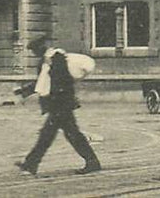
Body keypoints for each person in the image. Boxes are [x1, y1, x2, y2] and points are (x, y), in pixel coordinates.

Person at [14, 36, 101, 177]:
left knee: (50, 135)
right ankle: (92, 161)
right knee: (63, 134)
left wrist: (56, 97)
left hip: (60, 104)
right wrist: (24, 91)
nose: (34, 53)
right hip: (59, 104)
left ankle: (31, 163)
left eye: (34, 50)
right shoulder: (47, 60)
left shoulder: (56, 58)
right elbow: (43, 80)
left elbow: (63, 80)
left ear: (40, 48)